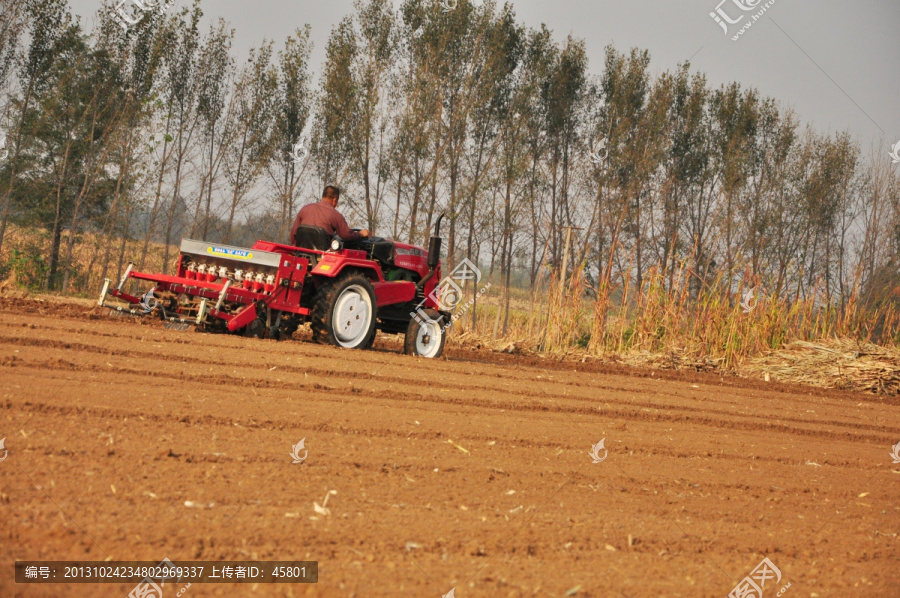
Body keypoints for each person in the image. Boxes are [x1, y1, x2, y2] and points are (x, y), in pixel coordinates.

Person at [290, 185, 371, 244]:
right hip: (322, 254)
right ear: (335, 200)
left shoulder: (305, 208)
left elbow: (293, 234)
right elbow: (346, 235)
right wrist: (361, 233)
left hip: (301, 251)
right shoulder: (336, 215)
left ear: (323, 196)